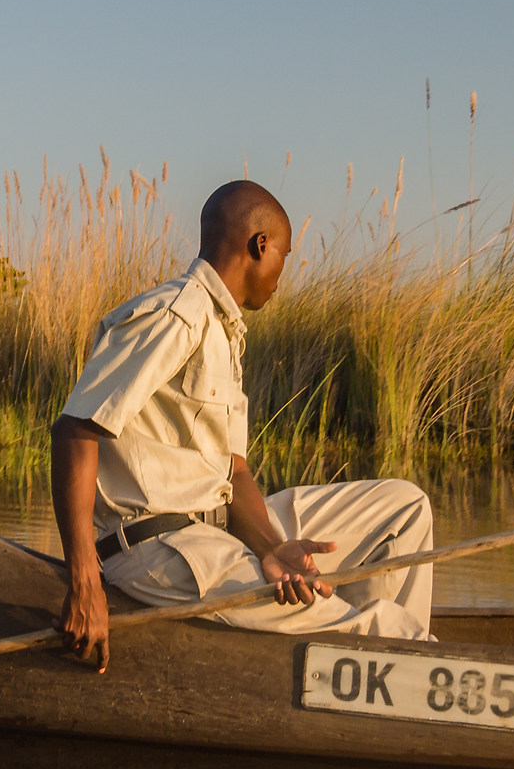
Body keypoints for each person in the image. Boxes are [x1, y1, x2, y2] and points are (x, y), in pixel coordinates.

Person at [52, 180, 435, 669]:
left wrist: (273, 549)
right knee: (381, 627)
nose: (281, 274)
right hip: (165, 549)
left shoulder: (226, 331)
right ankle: (384, 645)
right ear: (260, 245)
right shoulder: (177, 314)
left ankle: (361, 660)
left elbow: (235, 473)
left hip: (222, 529)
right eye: (284, 256)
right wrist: (84, 581)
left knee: (405, 510)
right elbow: (75, 430)